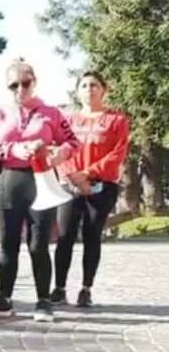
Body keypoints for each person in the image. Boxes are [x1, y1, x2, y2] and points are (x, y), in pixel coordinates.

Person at [0, 59, 78, 323]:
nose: (20, 89)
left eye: (25, 83)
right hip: (8, 180)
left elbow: (72, 142)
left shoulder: (51, 113)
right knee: (8, 243)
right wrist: (12, 150)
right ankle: (4, 298)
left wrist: (60, 153)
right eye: (13, 85)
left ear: (34, 82)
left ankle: (44, 300)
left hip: (42, 179)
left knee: (38, 244)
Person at [52, 71, 130, 308]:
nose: (89, 89)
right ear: (78, 91)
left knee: (91, 236)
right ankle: (59, 287)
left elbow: (117, 153)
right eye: (84, 85)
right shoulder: (68, 121)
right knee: (64, 236)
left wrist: (88, 174)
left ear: (104, 90)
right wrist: (74, 176)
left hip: (101, 187)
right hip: (69, 185)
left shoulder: (117, 120)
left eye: (94, 85)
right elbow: (61, 150)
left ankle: (86, 288)